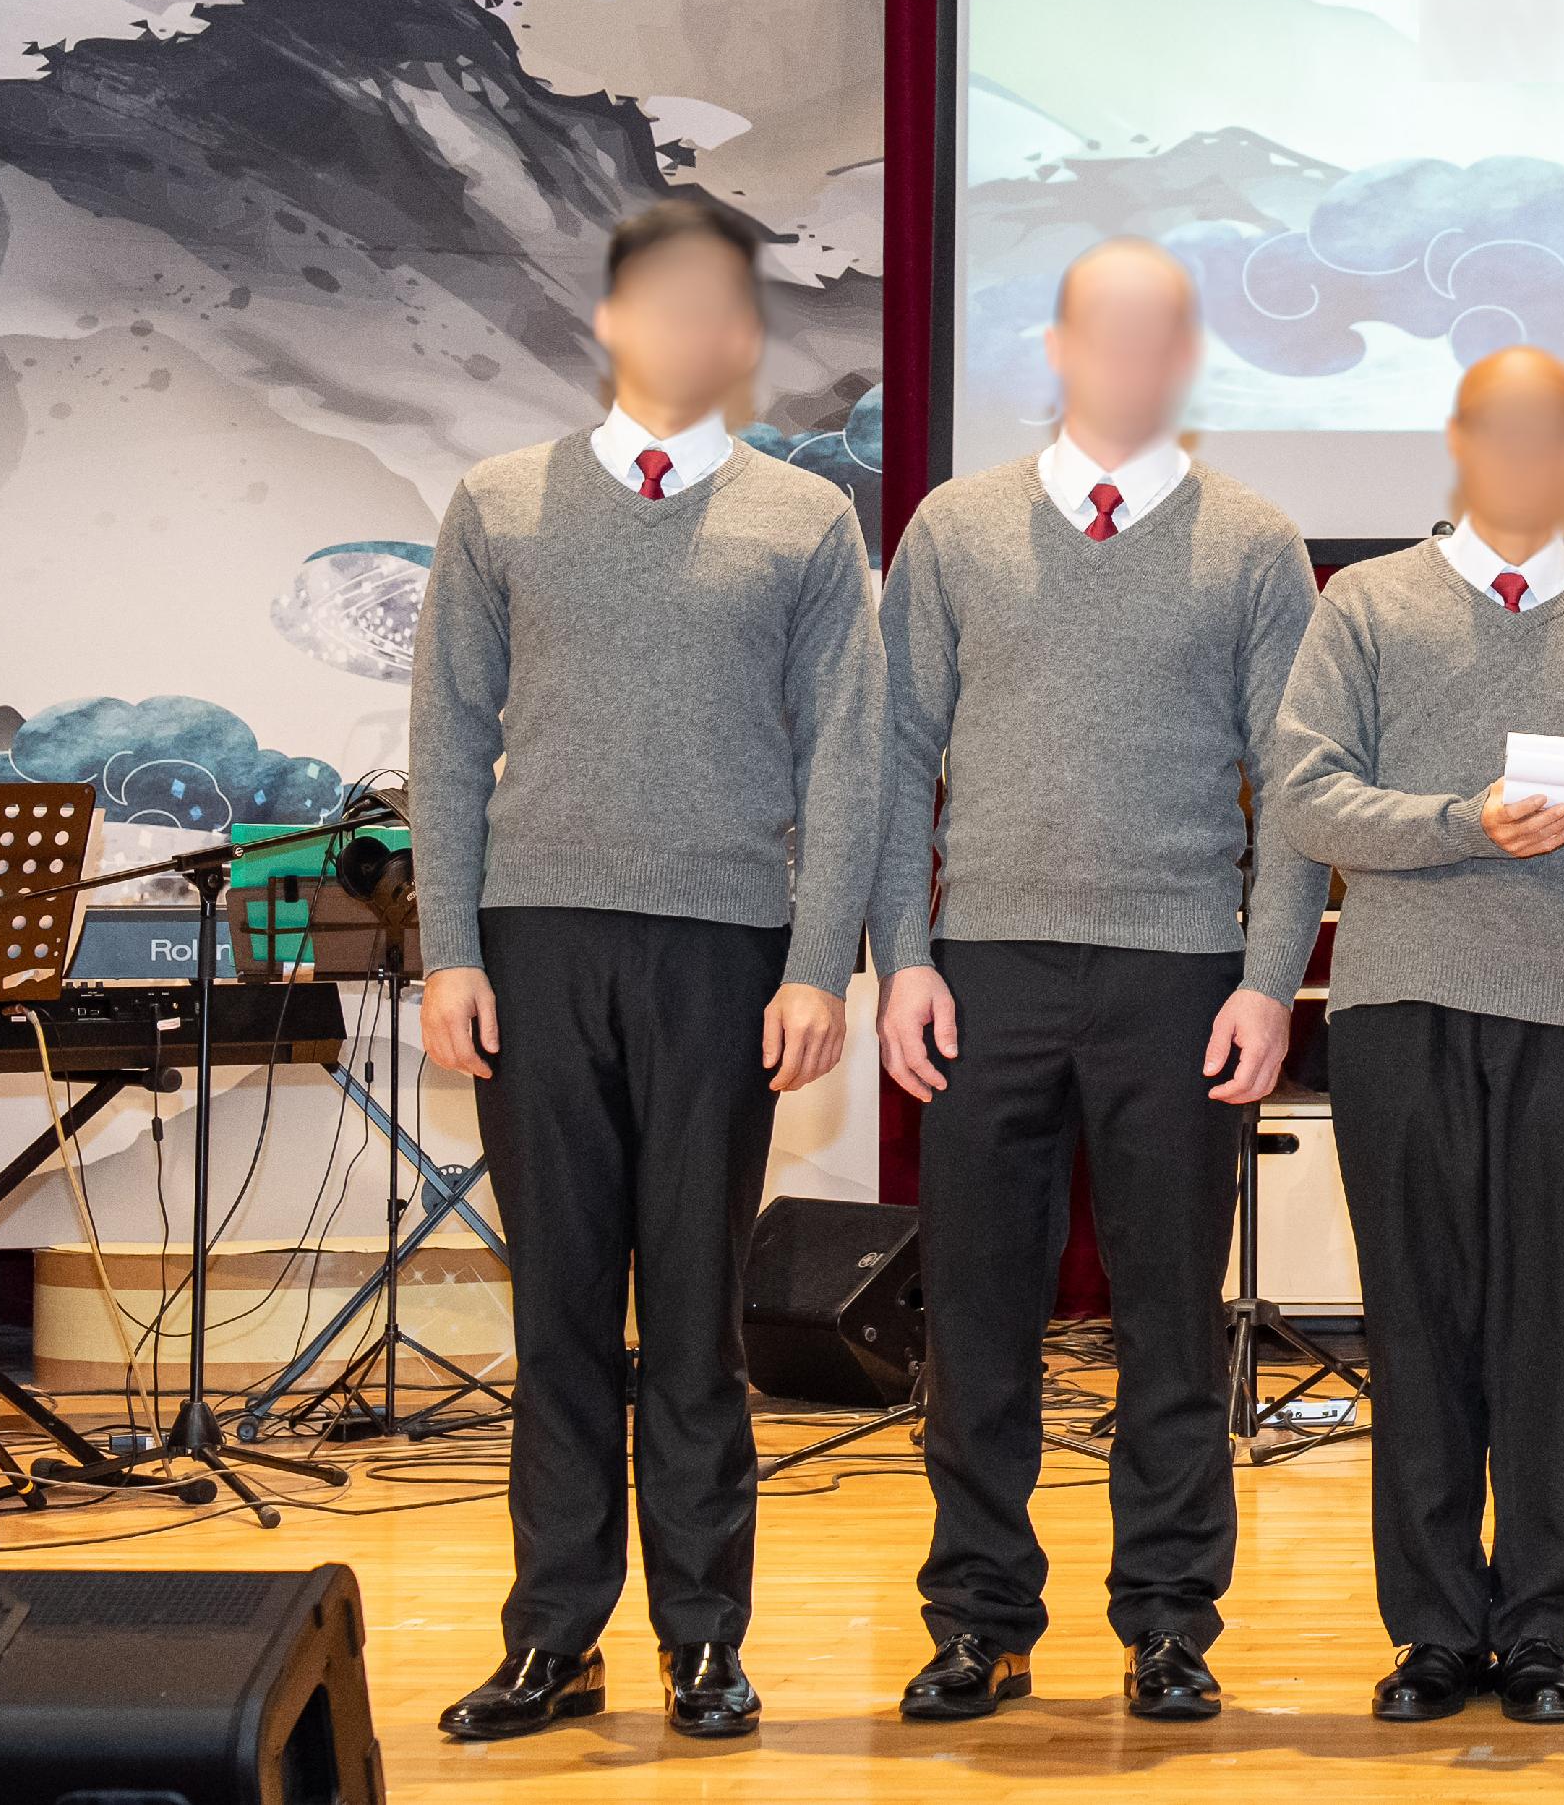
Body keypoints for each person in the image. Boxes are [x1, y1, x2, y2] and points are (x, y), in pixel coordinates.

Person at [406, 198, 879, 1744]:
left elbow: (850, 756)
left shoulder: (806, 522)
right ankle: (554, 1638)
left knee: (694, 1318)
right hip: (536, 953)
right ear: (608, 321)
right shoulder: (498, 503)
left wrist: (821, 964)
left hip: (726, 956)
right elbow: (448, 748)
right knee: (557, 1312)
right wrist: (450, 949)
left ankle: (703, 1640)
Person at [871, 239, 1328, 1727]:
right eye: (1108, 336)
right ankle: (980, 1620)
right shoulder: (954, 531)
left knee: (1171, 1328)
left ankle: (1171, 1624)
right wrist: (905, 962)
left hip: (1182, 978)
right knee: (981, 1323)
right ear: (1057, 347)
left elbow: (1300, 786)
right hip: (986, 973)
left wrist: (1268, 982)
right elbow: (890, 761)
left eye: (1163, 340)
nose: (1134, 364)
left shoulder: (1257, 544)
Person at [1268, 346, 1564, 1728]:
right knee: (1422, 1319)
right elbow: (1307, 795)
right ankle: (1436, 1626)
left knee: (1554, 1330)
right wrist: (1460, 823)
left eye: (1550, 431)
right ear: (1457, 442)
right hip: (1399, 1009)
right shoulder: (1368, 605)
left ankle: (1547, 1627)